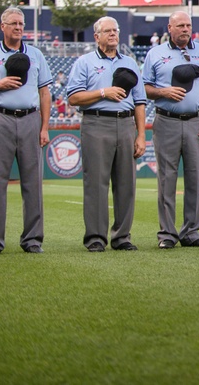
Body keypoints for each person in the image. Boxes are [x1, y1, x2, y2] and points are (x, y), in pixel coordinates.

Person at [142, 11, 199, 249]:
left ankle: (192, 232)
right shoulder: (155, 53)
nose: (185, 29)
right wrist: (163, 92)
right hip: (166, 120)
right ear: (170, 27)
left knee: (195, 178)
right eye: (180, 25)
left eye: (188, 25)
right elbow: (144, 88)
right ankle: (167, 233)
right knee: (166, 178)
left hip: (197, 121)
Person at [66, 16, 147, 252]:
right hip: (96, 123)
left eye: (116, 30)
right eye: (108, 31)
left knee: (126, 184)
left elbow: (140, 101)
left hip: (125, 124)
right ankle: (95, 238)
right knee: (96, 184)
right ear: (96, 36)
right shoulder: (85, 62)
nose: (113, 34)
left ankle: (122, 237)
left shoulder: (130, 63)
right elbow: (73, 97)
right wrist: (103, 92)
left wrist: (141, 135)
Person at [0, 7, 52, 255]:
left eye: (21, 24)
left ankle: (32, 240)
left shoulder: (35, 54)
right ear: (3, 26)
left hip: (31, 119)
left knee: (33, 182)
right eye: (14, 24)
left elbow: (44, 92)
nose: (19, 28)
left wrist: (44, 127)